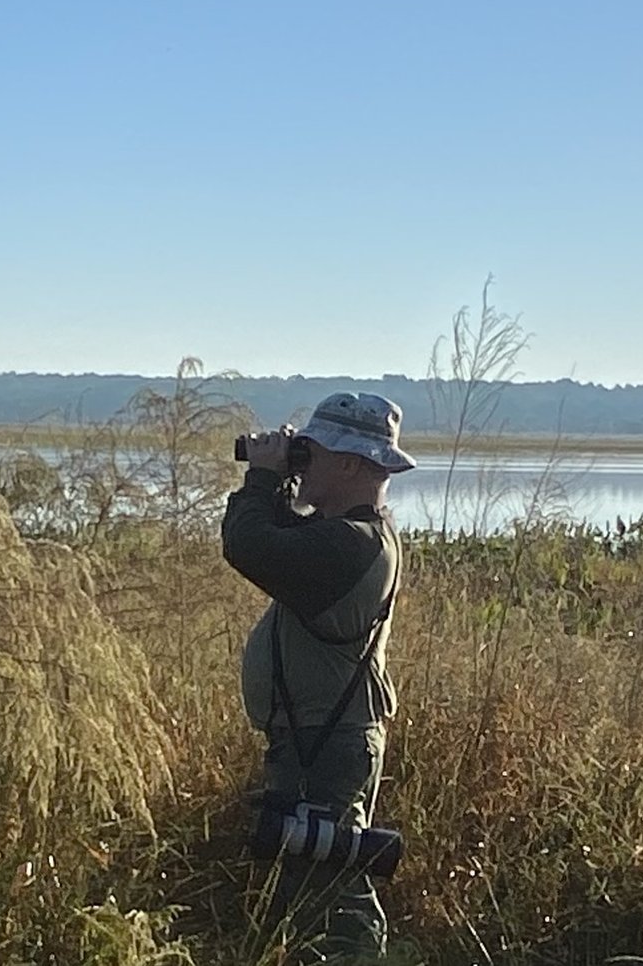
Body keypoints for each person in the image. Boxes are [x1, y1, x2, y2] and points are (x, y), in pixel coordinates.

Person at [223, 391, 413, 963]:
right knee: (309, 888)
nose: (301, 460)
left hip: (327, 745)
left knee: (339, 892)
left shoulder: (352, 543)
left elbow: (253, 545)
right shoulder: (345, 536)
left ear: (352, 463)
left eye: (313, 452)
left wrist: (262, 477)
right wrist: (277, 480)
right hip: (315, 742)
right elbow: (279, 541)